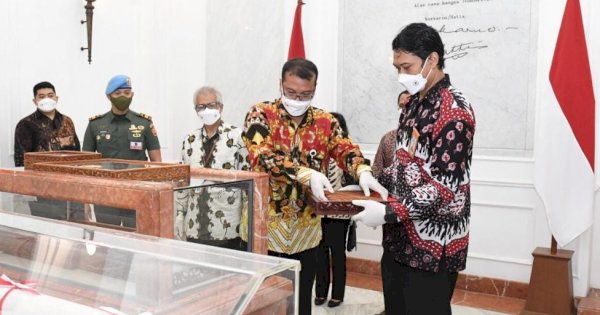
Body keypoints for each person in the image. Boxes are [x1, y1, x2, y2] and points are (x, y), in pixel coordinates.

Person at [242, 58, 387, 315]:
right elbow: (261, 157)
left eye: (305, 94)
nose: (297, 99)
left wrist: (362, 169)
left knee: (301, 301)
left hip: (306, 230)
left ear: (315, 89)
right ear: (281, 85)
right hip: (265, 228)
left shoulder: (325, 121)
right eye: (291, 93)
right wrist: (303, 173)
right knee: (264, 302)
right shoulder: (260, 113)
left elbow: (345, 148)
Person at [352, 23, 476, 314]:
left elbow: (443, 187)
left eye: (407, 67)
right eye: (397, 67)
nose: (401, 76)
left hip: (433, 247)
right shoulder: (412, 105)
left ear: (431, 60)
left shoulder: (455, 112)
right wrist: (370, 181)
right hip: (398, 239)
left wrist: (386, 212)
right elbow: (405, 164)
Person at [82, 75, 162, 227]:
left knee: (137, 237)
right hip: (105, 192)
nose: (123, 96)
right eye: (117, 93)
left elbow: (157, 163)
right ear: (108, 96)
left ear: (132, 94)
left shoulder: (144, 123)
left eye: (126, 92)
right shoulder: (95, 124)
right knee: (107, 236)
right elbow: (85, 163)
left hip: (137, 191)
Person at [176, 86, 250, 250]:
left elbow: (248, 182)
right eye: (201, 107)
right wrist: (180, 214)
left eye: (211, 105)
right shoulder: (190, 139)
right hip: (195, 223)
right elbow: (182, 180)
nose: (206, 110)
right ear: (196, 110)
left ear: (220, 107)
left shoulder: (238, 136)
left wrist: (248, 221)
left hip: (228, 225)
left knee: (229, 274)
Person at [314, 112, 356, 308]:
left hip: (340, 213)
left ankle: (337, 294)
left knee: (337, 254)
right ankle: (320, 292)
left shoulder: (348, 152)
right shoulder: (318, 150)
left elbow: (354, 180)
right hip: (319, 210)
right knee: (320, 253)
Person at [14, 81, 80, 167]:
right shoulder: (26, 124)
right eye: (41, 97)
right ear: (35, 101)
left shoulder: (67, 121)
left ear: (56, 98)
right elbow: (21, 159)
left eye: (50, 96)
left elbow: (77, 152)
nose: (47, 99)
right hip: (40, 175)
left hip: (69, 172)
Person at [372, 90, 410, 178]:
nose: (405, 110)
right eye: (401, 106)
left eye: (409, 106)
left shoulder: (426, 140)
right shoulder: (388, 139)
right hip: (389, 189)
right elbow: (377, 170)